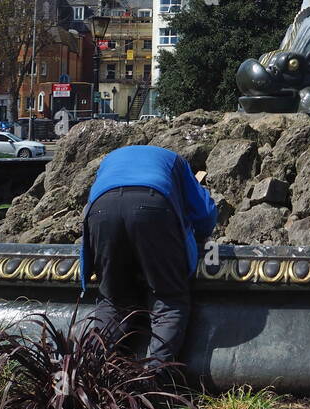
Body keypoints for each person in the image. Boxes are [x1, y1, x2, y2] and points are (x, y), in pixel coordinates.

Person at [80, 145, 218, 366]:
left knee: (114, 299)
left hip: (101, 210)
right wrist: (199, 237)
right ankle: (153, 380)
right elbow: (205, 214)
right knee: (169, 299)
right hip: (152, 205)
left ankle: (89, 374)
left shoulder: (111, 158)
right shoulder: (176, 160)